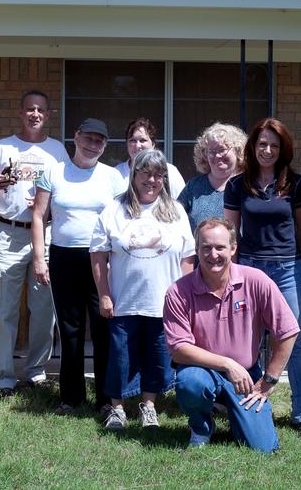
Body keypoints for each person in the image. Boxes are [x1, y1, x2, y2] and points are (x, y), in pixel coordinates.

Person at [163, 217, 300, 453]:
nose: (213, 254)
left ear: (233, 248)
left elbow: (288, 330)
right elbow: (179, 348)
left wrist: (269, 380)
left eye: (220, 247)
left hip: (247, 376)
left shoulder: (256, 280)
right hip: (202, 372)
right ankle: (201, 426)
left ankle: (234, 413)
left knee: (262, 448)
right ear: (196, 250)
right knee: (190, 383)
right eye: (205, 247)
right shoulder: (178, 291)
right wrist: (227, 364)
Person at [223, 117, 301, 436]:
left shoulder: (296, 183)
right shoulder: (238, 185)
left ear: (283, 149)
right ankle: (251, 403)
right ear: (253, 146)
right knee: (249, 340)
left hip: (287, 269)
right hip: (249, 268)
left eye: (274, 146)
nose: (267, 150)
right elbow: (231, 232)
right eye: (262, 144)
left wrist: (283, 251)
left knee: (296, 340)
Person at [90, 149, 195, 431]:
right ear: (134, 175)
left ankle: (149, 406)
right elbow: (98, 254)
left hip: (164, 303)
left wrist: (180, 295)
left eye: (158, 174)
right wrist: (104, 293)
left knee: (158, 357)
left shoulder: (176, 211)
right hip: (124, 300)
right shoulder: (114, 209)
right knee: (120, 357)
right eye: (146, 173)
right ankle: (117, 410)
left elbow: (187, 257)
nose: (152, 180)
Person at [0, 90, 68, 397]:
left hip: (45, 234)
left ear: (48, 115)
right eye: (29, 109)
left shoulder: (57, 151)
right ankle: (3, 376)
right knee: (4, 309)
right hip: (9, 232)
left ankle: (36, 371)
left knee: (43, 309)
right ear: (20, 113)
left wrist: (46, 205)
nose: (35, 114)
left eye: (40, 110)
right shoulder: (2, 148)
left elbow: (67, 196)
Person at [32, 118, 122, 414]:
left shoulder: (112, 177)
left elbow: (122, 219)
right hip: (63, 257)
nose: (92, 144)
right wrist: (38, 258)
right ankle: (71, 397)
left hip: (101, 259)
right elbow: (38, 216)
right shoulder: (54, 172)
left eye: (99, 140)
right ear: (75, 137)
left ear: (105, 145)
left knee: (103, 327)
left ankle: (107, 400)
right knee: (70, 329)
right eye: (88, 138)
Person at [177, 122, 246, 233]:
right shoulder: (194, 187)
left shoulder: (248, 185)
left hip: (240, 250)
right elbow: (174, 219)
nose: (217, 156)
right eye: (212, 152)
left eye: (222, 150)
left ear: (238, 151)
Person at [114, 118, 186, 198]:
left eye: (142, 140)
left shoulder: (170, 171)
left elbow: (180, 203)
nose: (137, 146)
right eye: (133, 140)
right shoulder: (116, 173)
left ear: (153, 144)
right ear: (127, 144)